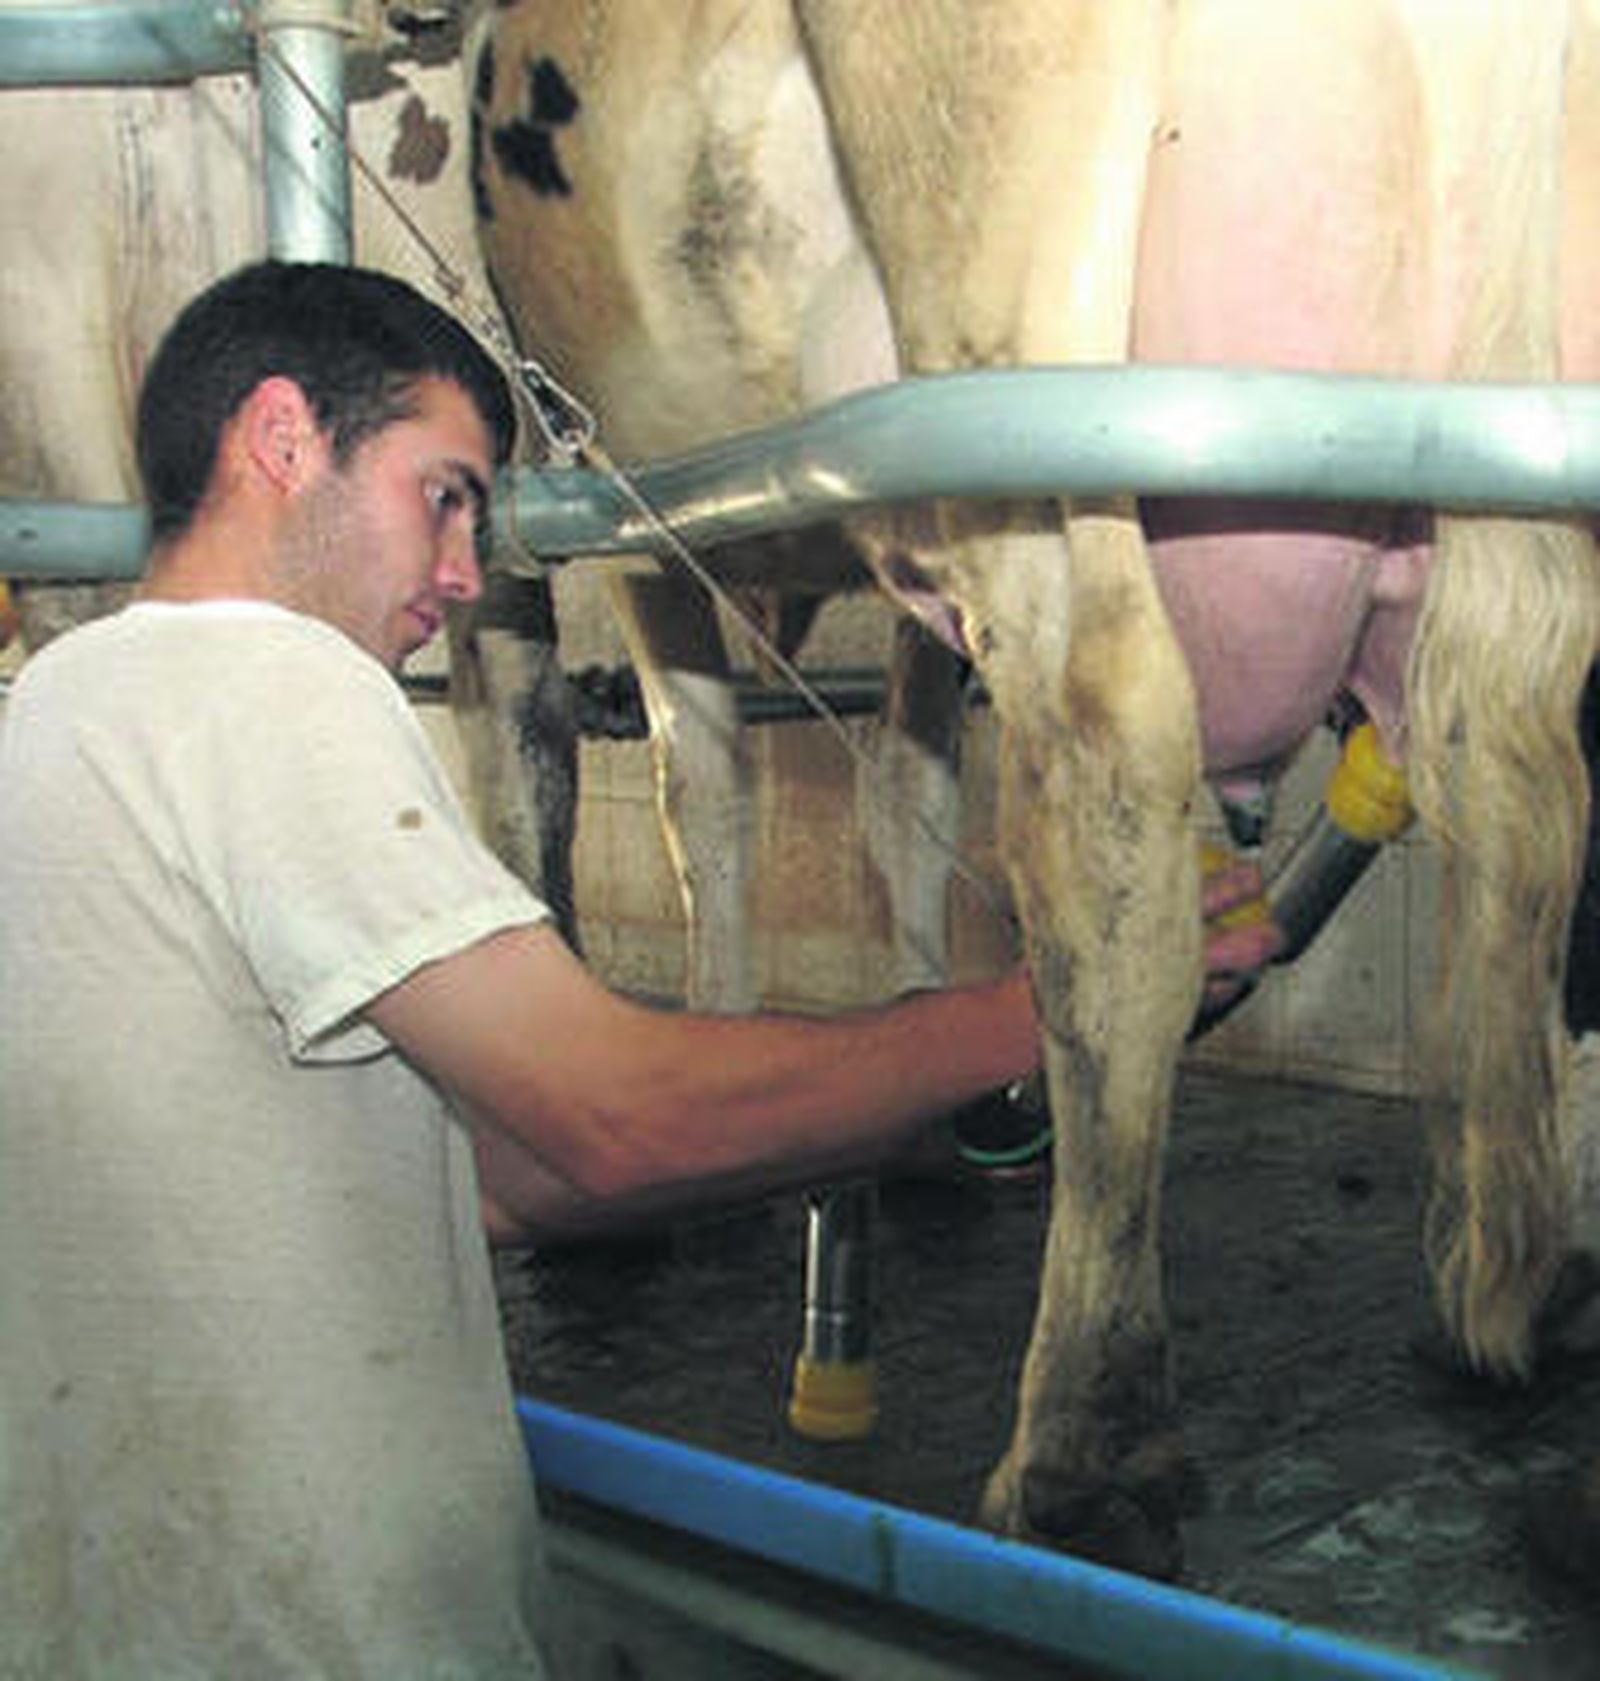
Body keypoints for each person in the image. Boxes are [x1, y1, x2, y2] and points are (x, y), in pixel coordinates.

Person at [0, 260, 1278, 1678]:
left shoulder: (61, 705)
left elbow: (500, 1183)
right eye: (444, 494)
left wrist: (934, 1097)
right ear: (283, 437)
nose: (466, 572)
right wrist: (1056, 1003)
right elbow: (614, 1116)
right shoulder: (263, 682)